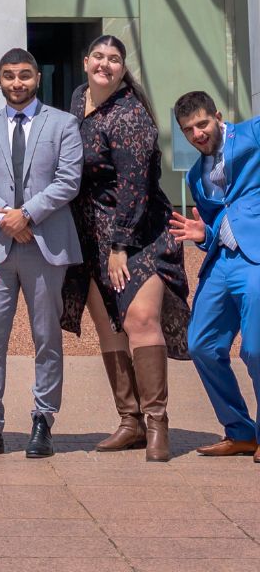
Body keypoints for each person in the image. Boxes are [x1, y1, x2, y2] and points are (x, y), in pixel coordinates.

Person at [60, 33, 191, 462]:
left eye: (114, 59)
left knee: (140, 319)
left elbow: (135, 187)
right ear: (85, 62)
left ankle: (157, 424)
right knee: (109, 327)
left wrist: (119, 246)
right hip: (89, 234)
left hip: (139, 234)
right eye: (98, 56)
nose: (105, 64)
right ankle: (129, 421)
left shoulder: (130, 114)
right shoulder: (78, 100)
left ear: (122, 68)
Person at [0, 47, 81, 461]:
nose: (18, 83)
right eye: (10, 75)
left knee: (46, 338)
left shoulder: (63, 124)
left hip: (45, 247)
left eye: (25, 75)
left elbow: (68, 180)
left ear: (37, 78)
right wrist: (5, 216)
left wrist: (26, 214)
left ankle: (42, 420)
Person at [167, 90, 260, 457]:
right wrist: (203, 235)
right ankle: (241, 431)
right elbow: (213, 224)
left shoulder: (252, 133)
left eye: (203, 124)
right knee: (201, 345)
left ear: (218, 117)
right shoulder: (195, 176)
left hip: (255, 258)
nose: (198, 134)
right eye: (188, 130)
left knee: (255, 349)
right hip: (220, 262)